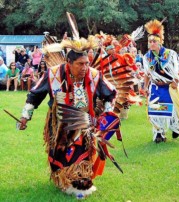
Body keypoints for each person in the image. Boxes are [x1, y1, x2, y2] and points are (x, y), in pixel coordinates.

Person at [18, 36, 118, 198]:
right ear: (68, 63)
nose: (84, 67)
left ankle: (80, 182)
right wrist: (25, 116)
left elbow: (111, 93)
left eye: (86, 63)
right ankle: (62, 179)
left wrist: (107, 114)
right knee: (59, 154)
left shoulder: (94, 75)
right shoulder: (53, 74)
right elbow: (35, 94)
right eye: (80, 64)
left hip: (84, 123)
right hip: (58, 124)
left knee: (81, 153)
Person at [143, 19, 179, 143]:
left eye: (154, 41)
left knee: (173, 110)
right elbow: (147, 74)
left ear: (159, 42)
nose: (151, 43)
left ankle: (176, 127)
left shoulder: (170, 54)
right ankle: (159, 134)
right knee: (155, 111)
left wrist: (176, 81)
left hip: (170, 87)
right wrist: (144, 86)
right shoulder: (147, 57)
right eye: (150, 42)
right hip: (155, 87)